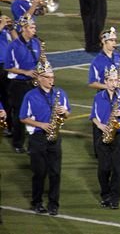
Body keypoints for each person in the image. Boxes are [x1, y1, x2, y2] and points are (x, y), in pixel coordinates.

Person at [19, 59, 71, 216]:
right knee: (39, 172)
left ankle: (54, 203)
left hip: (55, 136)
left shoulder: (60, 93)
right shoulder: (30, 95)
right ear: (40, 78)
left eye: (53, 77)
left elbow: (68, 113)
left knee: (55, 172)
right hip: (38, 137)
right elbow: (23, 117)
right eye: (48, 77)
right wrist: (41, 125)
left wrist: (64, 112)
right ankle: (37, 202)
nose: (51, 80)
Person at [90, 66, 120, 210]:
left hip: (118, 135)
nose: (114, 83)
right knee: (103, 168)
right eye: (111, 80)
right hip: (103, 133)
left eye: (116, 80)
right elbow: (93, 116)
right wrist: (101, 126)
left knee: (117, 169)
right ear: (106, 81)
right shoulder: (98, 97)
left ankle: (115, 199)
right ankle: (105, 195)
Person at [4, 14, 42, 153]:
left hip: (33, 83)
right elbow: (8, 66)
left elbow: (39, 61)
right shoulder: (14, 45)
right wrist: (25, 72)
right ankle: (18, 143)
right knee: (20, 113)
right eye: (31, 27)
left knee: (35, 112)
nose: (34, 30)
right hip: (18, 84)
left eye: (34, 27)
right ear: (23, 29)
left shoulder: (36, 43)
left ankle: (34, 144)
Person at [0, 12, 17, 137]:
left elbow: (17, 42)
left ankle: (10, 126)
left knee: (8, 98)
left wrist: (11, 28)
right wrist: (2, 24)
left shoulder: (5, 30)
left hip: (7, 67)